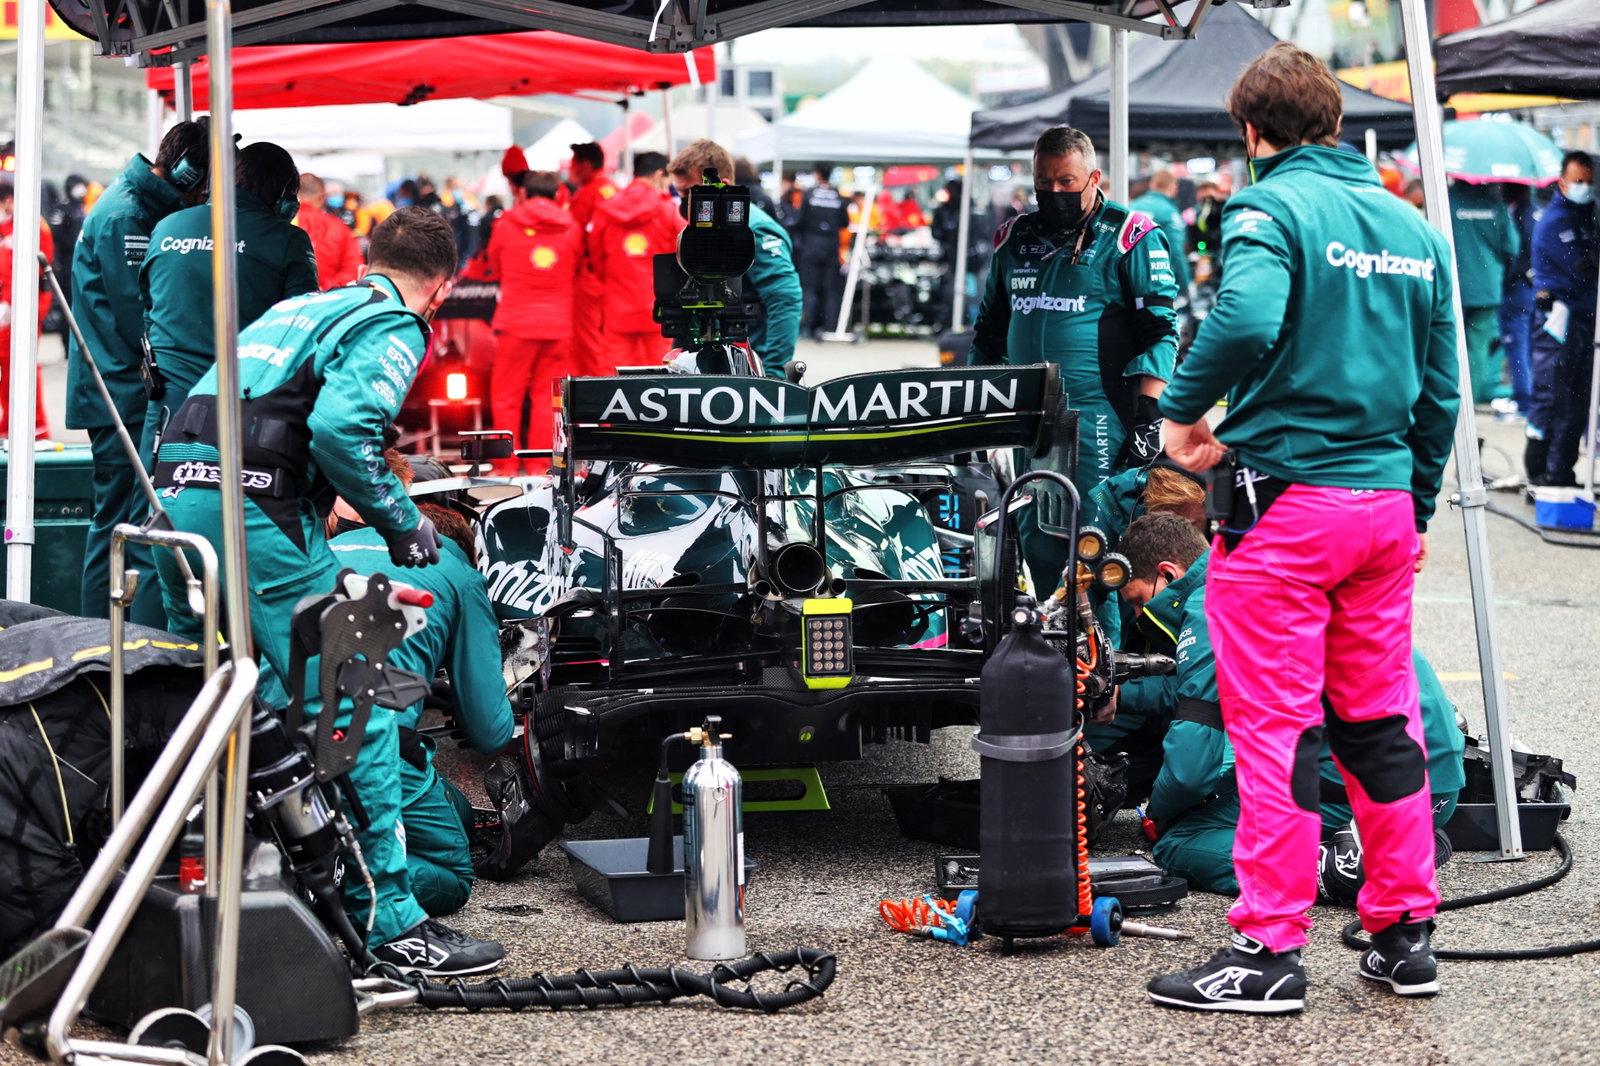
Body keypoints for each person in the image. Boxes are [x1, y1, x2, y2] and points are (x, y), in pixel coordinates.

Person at [1152, 43, 1459, 1014]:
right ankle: (1404, 932)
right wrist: (1409, 503)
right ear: (1334, 123)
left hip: (1287, 512)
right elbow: (1444, 390)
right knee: (1379, 726)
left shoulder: (1267, 205)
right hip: (1379, 513)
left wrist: (1182, 417)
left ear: (1252, 134)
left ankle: (1266, 949)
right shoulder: (1413, 227)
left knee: (1276, 730)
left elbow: (1242, 318)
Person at [1113, 515, 1464, 900]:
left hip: (1373, 781)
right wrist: (1123, 697)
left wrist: (1158, 813)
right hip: (1438, 784)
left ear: (1168, 572)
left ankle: (1330, 872)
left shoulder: (1211, 600)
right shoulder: (1266, 562)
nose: (1138, 616)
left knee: (1182, 840)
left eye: (1138, 601)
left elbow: (1189, 773)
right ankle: (1407, 843)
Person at [969, 125, 1179, 590]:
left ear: (1094, 177)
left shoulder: (1131, 235)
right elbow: (988, 330)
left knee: (1097, 544)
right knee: (1037, 533)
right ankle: (1048, 647)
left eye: (1067, 182)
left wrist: (1148, 416)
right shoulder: (1013, 237)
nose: (1055, 192)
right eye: (1044, 184)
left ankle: (1102, 653)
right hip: (1030, 419)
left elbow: (1162, 331)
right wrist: (974, 406)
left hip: (1098, 416)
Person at [327, 456, 513, 974]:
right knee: (454, 877)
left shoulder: (318, 550)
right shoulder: (457, 572)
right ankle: (334, 874)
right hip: (373, 750)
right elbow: (489, 729)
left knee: (453, 804)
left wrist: (424, 686)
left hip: (283, 739)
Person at [68, 117, 212, 625]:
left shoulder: (136, 204)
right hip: (121, 393)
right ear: (189, 173)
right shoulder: (126, 215)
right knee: (119, 526)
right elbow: (145, 319)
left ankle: (108, 643)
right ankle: (101, 647)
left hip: (125, 389)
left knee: (123, 521)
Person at [139, 140, 319, 467]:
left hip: (169, 403)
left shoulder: (167, 226)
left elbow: (148, 308)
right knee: (238, 509)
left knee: (158, 506)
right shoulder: (287, 240)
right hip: (245, 404)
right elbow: (302, 328)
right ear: (280, 193)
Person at [667, 140, 802, 379]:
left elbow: (785, 299)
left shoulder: (755, 230)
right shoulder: (697, 234)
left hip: (747, 371)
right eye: (679, 194)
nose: (684, 203)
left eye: (691, 193)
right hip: (707, 366)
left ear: (723, 186)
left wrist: (774, 376)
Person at [487, 171, 580, 450]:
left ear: (524, 194)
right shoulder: (571, 226)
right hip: (558, 323)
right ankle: (541, 461)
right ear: (557, 194)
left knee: (506, 394)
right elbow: (576, 265)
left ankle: (505, 463)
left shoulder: (506, 223)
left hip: (516, 321)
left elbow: (493, 261)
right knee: (548, 396)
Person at [1525, 151, 1598, 488]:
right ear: (1562, 182)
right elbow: (1580, 268)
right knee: (1552, 394)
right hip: (1556, 319)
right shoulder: (1554, 221)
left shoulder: (1588, 216)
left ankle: (1561, 471)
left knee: (1579, 397)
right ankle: (1541, 470)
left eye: (1588, 181)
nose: (1584, 187)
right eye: (1578, 181)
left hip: (1584, 319)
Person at [587, 151, 681, 371]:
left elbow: (595, 257)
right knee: (660, 376)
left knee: (616, 377)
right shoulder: (668, 210)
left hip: (616, 305)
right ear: (659, 174)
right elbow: (683, 253)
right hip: (658, 305)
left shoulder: (605, 210)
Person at [1448, 180, 1520, 406]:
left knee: (1448, 345)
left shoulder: (1445, 198)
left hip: (1452, 286)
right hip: (1486, 288)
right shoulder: (1496, 205)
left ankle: (1449, 402)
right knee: (1477, 349)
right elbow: (1512, 247)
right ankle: (1469, 404)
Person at [0, 180, 56, 441]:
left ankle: (36, 426)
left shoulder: (32, 226)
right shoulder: (6, 227)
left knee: (21, 364)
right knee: (5, 366)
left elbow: (34, 271)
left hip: (24, 307)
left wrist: (13, 305)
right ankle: (8, 423)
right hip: (7, 308)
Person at [567, 142, 618, 375]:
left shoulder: (586, 195)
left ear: (585, 165)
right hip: (615, 277)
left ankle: (595, 392)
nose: (570, 168)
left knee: (588, 341)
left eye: (573, 163)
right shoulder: (614, 190)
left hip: (588, 278)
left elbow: (574, 240)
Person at [1494, 183, 1538, 424]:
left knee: (1517, 346)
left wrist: (1508, 276)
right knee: (1528, 345)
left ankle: (1524, 402)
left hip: (1516, 289)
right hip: (1531, 288)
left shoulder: (1519, 216)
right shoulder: (1535, 212)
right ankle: (1529, 401)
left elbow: (1516, 255)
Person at [793, 162, 850, 338]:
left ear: (817, 174)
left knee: (809, 288)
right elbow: (845, 222)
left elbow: (799, 221)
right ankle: (829, 327)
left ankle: (808, 327)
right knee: (831, 289)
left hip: (811, 246)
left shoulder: (809, 195)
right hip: (831, 246)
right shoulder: (838, 196)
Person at [295, 172, 363, 289]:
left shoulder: (277, 224)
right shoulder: (339, 228)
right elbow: (353, 270)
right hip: (330, 301)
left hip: (282, 303)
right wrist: (324, 291)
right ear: (321, 196)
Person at [1131, 170, 1191, 298]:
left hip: (1129, 277)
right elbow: (1176, 253)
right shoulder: (1170, 213)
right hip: (1157, 282)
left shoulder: (1131, 206)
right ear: (1174, 188)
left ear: (1152, 184)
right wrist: (1186, 285)